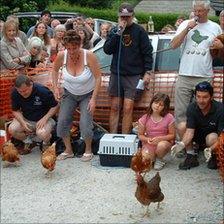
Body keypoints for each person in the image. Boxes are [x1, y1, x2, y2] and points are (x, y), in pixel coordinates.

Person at [170, 0, 223, 143]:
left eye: (200, 11)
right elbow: (173, 45)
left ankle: (198, 143)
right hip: (184, 75)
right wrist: (187, 28)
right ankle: (182, 145)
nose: (197, 14)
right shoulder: (185, 24)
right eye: (195, 10)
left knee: (202, 113)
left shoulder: (215, 27)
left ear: (208, 11)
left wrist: (221, 46)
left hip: (204, 76)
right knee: (181, 113)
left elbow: (219, 55)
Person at [51, 30, 101, 161]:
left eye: (75, 48)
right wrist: (55, 87)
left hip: (87, 94)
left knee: (85, 123)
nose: (72, 51)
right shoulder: (62, 55)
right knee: (62, 122)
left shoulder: (89, 56)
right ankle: (68, 150)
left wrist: (94, 99)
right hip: (69, 92)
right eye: (69, 48)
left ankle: (88, 149)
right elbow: (55, 70)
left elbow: (98, 77)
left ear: (80, 45)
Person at [103, 2, 153, 134]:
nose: (125, 19)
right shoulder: (114, 30)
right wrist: (118, 33)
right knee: (114, 107)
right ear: (119, 17)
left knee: (128, 107)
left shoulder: (140, 31)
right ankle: (112, 137)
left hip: (134, 75)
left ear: (132, 16)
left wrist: (147, 72)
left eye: (128, 16)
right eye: (122, 16)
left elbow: (147, 52)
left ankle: (125, 137)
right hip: (117, 73)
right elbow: (107, 50)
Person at [171, 81, 224, 170]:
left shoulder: (220, 109)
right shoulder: (192, 107)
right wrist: (181, 145)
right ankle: (191, 155)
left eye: (205, 97)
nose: (201, 101)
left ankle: (214, 155)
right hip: (196, 135)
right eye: (198, 97)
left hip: (212, 138)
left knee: (212, 137)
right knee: (181, 126)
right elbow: (189, 132)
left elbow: (222, 136)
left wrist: (211, 148)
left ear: (211, 97)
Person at [8, 75, 59, 154]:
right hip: (27, 118)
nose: (22, 93)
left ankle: (46, 143)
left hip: (45, 118)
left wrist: (45, 118)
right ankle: (28, 142)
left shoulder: (42, 91)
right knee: (12, 129)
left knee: (42, 133)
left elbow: (55, 106)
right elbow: (15, 110)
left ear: (31, 84)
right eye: (19, 91)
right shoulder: (15, 92)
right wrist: (22, 122)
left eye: (25, 91)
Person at [138, 93, 175, 170]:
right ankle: (153, 157)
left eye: (161, 105)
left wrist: (160, 139)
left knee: (161, 145)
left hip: (164, 143)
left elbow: (172, 135)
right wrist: (147, 139)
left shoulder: (169, 117)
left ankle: (159, 159)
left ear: (165, 107)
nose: (157, 106)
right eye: (155, 103)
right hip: (149, 144)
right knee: (145, 164)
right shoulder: (145, 118)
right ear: (151, 103)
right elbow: (140, 135)